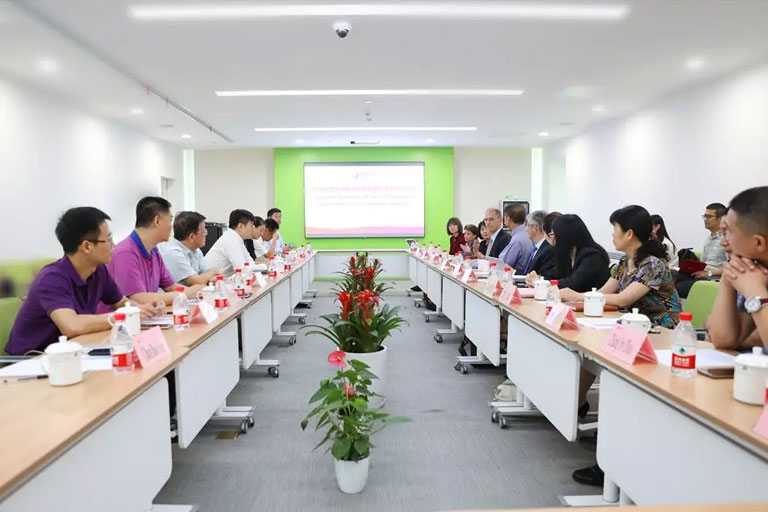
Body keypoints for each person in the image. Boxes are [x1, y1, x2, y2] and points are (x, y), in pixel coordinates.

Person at [561, 205, 680, 487]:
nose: (611, 235)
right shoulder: (625, 263)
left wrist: (577, 295)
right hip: (633, 329)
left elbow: (624, 299)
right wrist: (576, 301)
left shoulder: (653, 264)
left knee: (616, 380)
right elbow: (604, 294)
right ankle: (577, 408)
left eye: (614, 229)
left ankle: (613, 459)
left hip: (660, 333)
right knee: (587, 354)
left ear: (629, 233)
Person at [6, 207, 156, 355]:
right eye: (109, 240)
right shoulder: (51, 279)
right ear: (87, 246)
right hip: (33, 360)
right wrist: (119, 317)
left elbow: (121, 302)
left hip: (75, 351)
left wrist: (144, 310)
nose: (114, 245)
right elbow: (72, 326)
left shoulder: (98, 270)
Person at [106, 197, 202, 308]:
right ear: (157, 221)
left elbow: (171, 286)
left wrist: (197, 292)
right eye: (170, 220)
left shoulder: (154, 251)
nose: (171, 227)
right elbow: (139, 299)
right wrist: (186, 294)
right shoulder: (125, 253)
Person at [709, 187, 768, 351]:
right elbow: (723, 340)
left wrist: (755, 292)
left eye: (728, 232)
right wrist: (727, 280)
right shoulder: (754, 271)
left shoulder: (755, 280)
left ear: (758, 243)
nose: (724, 241)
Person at [526, 214, 609, 290]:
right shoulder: (570, 254)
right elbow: (561, 278)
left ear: (564, 235)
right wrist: (540, 280)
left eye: (554, 234)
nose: (553, 238)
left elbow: (573, 283)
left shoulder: (592, 255)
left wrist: (542, 283)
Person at [676, 202, 728, 297]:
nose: (705, 219)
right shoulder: (708, 240)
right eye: (705, 216)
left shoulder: (726, 240)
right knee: (672, 276)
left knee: (679, 287)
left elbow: (731, 268)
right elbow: (703, 263)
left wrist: (708, 273)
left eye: (709, 216)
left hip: (713, 279)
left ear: (720, 219)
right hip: (703, 275)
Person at [158, 211, 221, 285]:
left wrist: (209, 276)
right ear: (192, 236)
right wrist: (213, 271)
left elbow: (212, 276)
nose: (206, 235)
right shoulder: (173, 253)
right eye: (203, 232)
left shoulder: (196, 250)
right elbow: (197, 281)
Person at [205, 209, 257, 275]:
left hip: (223, 278)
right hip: (210, 280)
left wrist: (263, 267)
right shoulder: (230, 239)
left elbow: (249, 261)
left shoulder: (237, 238)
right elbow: (241, 268)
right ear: (240, 226)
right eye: (251, 226)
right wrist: (265, 266)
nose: (253, 229)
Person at [519, 210, 556, 280]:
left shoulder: (548, 250)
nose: (526, 229)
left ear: (534, 228)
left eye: (527, 225)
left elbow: (545, 276)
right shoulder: (536, 247)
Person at [497, 204, 533, 271]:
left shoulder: (516, 240)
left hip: (516, 275)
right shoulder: (528, 233)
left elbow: (503, 263)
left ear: (508, 219)